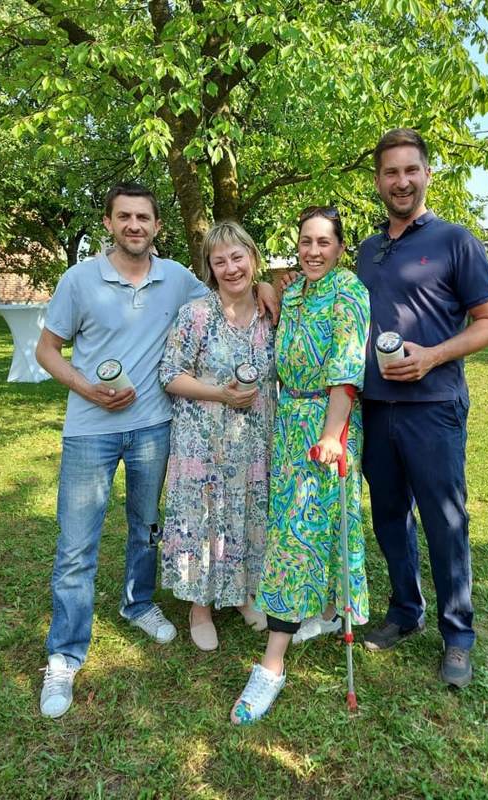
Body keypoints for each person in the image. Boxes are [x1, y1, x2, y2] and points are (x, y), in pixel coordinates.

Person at [35, 182, 278, 718]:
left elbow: (235, 282)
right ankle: (64, 656)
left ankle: (138, 603)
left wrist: (268, 288)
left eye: (143, 217)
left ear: (157, 226)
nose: (135, 226)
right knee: (77, 545)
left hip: (152, 429)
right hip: (90, 428)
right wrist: (84, 387)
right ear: (108, 222)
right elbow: (46, 350)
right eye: (124, 217)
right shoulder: (79, 280)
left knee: (147, 528)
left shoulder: (176, 279)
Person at [357, 129, 488, 687]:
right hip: (375, 407)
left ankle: (458, 634)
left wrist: (433, 357)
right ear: (378, 181)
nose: (401, 181)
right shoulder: (369, 249)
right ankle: (405, 611)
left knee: (445, 521)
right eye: (391, 172)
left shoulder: (455, 240)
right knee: (389, 516)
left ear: (426, 174)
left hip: (433, 406)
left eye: (410, 170)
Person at [230, 206, 370, 725]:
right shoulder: (294, 291)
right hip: (286, 421)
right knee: (311, 523)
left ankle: (271, 665)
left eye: (324, 243)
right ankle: (330, 612)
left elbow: (346, 371)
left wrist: (332, 435)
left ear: (340, 247)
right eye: (306, 242)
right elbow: (272, 293)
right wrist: (271, 282)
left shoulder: (349, 291)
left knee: (295, 537)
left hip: (323, 426)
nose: (314, 251)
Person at [159, 221, 276, 650]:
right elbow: (170, 374)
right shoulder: (197, 315)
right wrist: (220, 394)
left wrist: (269, 287)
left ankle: (243, 594)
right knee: (202, 519)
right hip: (203, 441)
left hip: (253, 441)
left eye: (238, 257)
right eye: (220, 260)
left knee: (245, 515)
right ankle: (200, 606)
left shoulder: (270, 313)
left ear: (252, 258)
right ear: (209, 268)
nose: (231, 268)